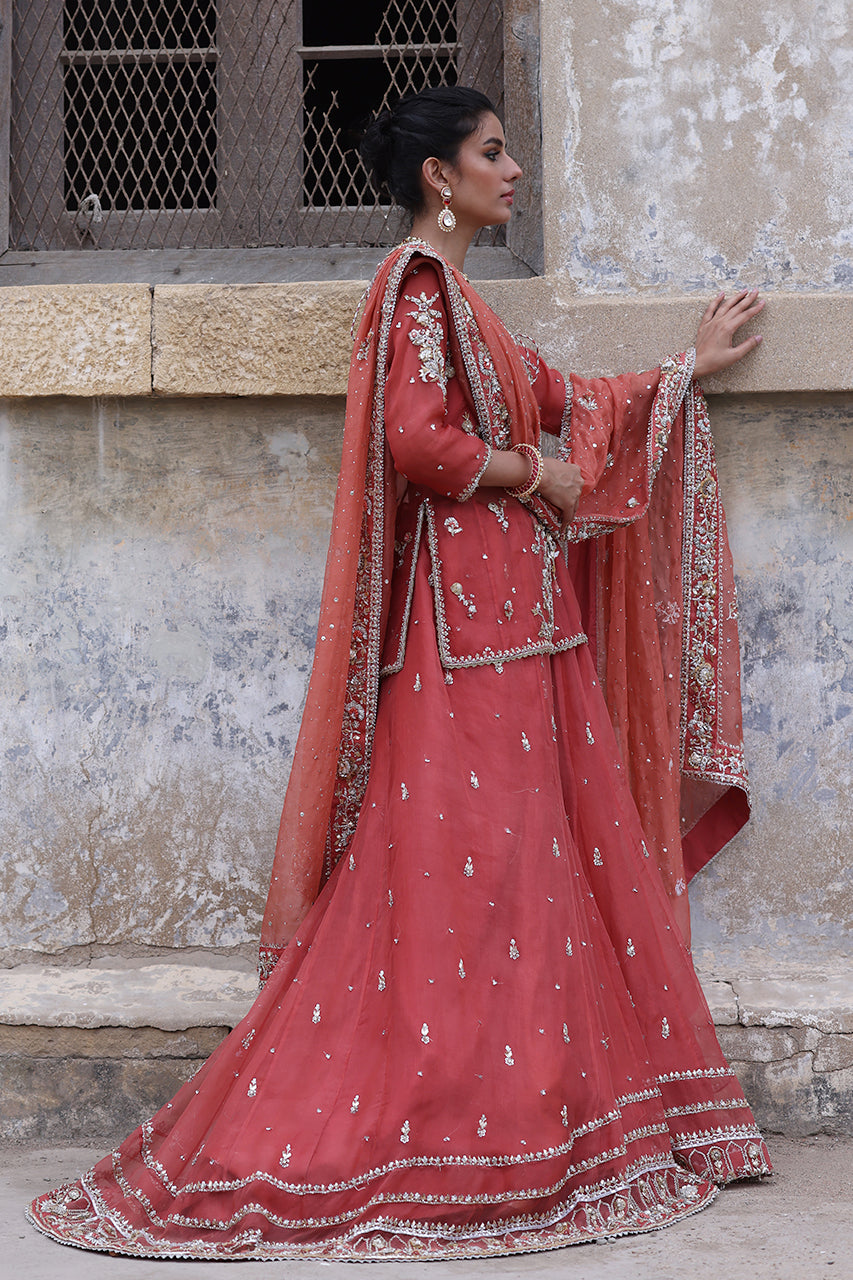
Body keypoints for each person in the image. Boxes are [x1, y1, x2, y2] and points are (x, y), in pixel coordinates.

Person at [28, 87, 771, 1261]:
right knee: (458, 878)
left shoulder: (461, 298)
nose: (513, 168)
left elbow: (571, 399)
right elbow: (420, 442)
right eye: (492, 152)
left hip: (523, 626)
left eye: (509, 148)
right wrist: (536, 476)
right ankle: (454, 1128)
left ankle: (528, 1114)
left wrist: (683, 368)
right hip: (466, 638)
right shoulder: (415, 287)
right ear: (440, 174)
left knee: (532, 873)